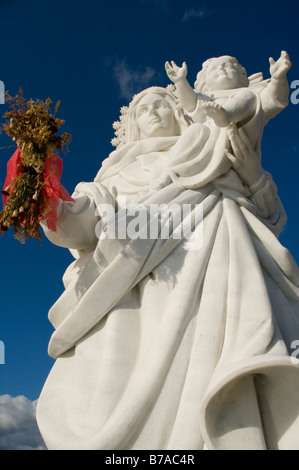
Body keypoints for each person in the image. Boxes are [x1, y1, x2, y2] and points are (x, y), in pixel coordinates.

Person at [36, 85, 299, 450]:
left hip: (224, 278)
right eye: (145, 109)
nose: (156, 112)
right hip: (142, 303)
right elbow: (83, 228)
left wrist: (253, 176)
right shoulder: (110, 179)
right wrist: (45, 198)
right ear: (133, 127)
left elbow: (270, 219)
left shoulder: (209, 146)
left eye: (163, 104)